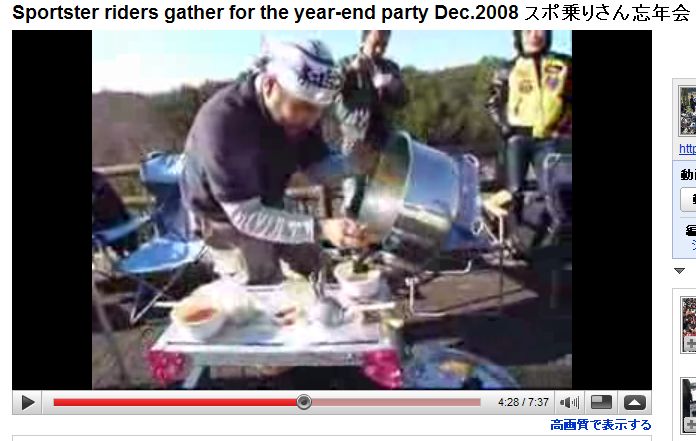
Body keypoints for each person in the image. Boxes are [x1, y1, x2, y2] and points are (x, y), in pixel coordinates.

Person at [180, 39, 371, 285]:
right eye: (303, 107)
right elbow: (247, 217)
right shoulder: (224, 123)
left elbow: (316, 168)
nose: (312, 120)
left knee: (319, 264)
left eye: (320, 109)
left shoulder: (304, 113)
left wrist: (354, 165)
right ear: (270, 85)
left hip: (270, 198)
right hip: (223, 216)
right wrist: (322, 228)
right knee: (264, 288)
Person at [486, 30, 572, 202]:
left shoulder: (564, 64)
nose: (534, 36)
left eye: (540, 30)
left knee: (554, 191)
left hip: (550, 138)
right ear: (519, 36)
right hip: (517, 138)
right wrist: (505, 127)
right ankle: (510, 218)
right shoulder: (507, 69)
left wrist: (562, 127)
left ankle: (551, 218)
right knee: (512, 192)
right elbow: (493, 103)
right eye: (527, 32)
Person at [333, 30, 409, 217]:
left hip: (385, 138)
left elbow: (403, 100)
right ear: (363, 41)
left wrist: (393, 86)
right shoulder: (344, 64)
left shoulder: (390, 68)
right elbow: (330, 89)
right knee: (354, 194)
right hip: (355, 139)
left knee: (385, 195)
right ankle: (350, 230)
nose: (379, 50)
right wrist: (350, 70)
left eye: (384, 45)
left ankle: (377, 231)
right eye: (375, 44)